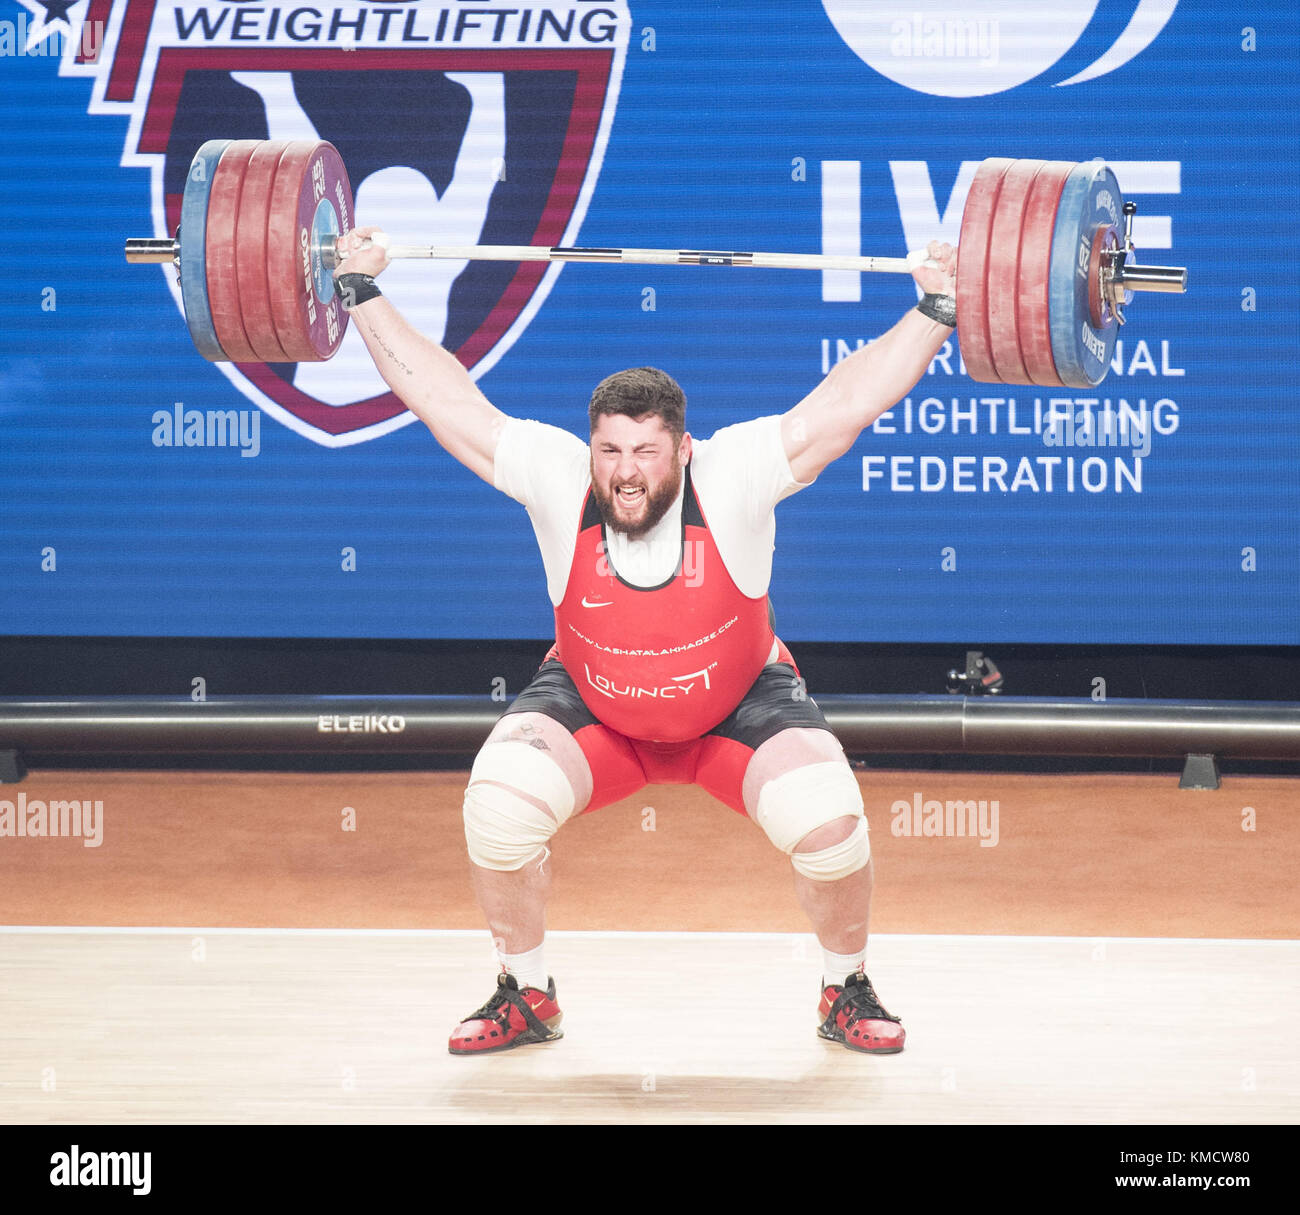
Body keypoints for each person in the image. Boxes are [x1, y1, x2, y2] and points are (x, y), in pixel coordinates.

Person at [332, 230, 958, 1055]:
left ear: (683, 449)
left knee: (830, 823)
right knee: (496, 807)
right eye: (610, 451)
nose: (626, 473)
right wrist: (360, 293)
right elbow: (446, 402)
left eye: (646, 452)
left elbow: (847, 403)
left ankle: (846, 987)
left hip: (740, 709)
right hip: (597, 711)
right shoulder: (560, 478)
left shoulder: (733, 473)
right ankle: (525, 993)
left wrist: (937, 308)